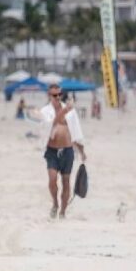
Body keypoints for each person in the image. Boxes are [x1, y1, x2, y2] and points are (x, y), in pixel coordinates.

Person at [37, 84, 86, 218]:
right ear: (49, 96)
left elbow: (76, 132)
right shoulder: (45, 111)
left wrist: (82, 151)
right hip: (52, 151)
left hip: (67, 150)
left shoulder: (71, 112)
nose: (58, 97)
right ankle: (55, 203)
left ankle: (63, 211)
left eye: (60, 94)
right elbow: (51, 124)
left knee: (66, 182)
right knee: (52, 180)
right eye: (55, 95)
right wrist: (65, 110)